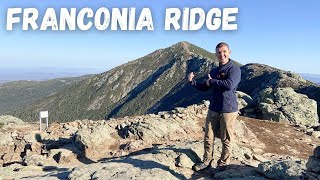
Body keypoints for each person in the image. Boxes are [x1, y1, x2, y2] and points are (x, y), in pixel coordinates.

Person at [188, 42, 241, 171]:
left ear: (229, 52)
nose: (221, 54)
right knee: (208, 136)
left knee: (226, 138)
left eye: (224, 51)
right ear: (216, 54)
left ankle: (223, 164)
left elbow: (229, 85)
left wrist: (212, 81)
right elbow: (205, 87)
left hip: (228, 109)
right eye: (219, 52)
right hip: (214, 108)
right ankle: (206, 161)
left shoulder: (234, 69)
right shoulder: (214, 71)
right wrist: (192, 82)